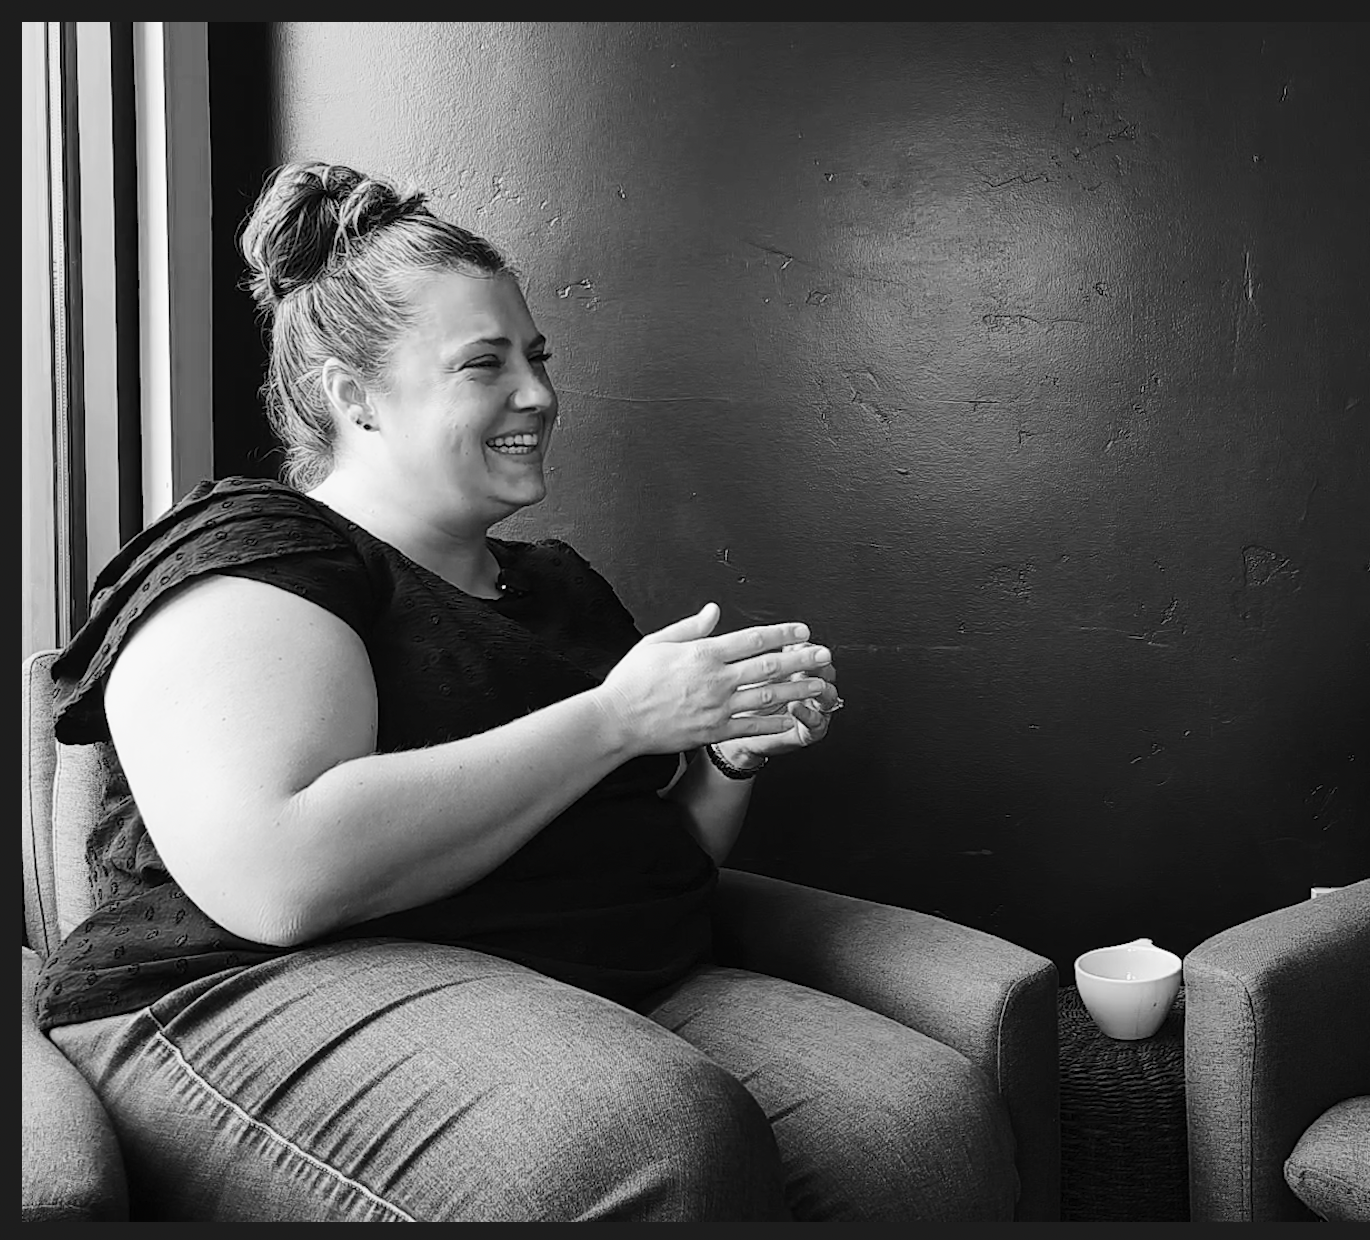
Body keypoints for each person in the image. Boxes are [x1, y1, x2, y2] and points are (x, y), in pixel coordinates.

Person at [31, 161, 1018, 1221]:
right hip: (240, 988)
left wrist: (726, 754)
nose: (539, 395)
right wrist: (616, 716)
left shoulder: (557, 586)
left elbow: (652, 859)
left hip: (565, 977)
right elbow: (279, 876)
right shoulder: (256, 552)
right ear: (349, 392)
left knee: (919, 1129)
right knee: (642, 1135)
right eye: (484, 364)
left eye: (538, 358)